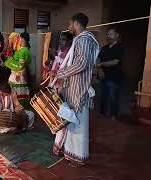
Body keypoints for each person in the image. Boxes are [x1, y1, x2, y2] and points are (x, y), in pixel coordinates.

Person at [53, 13, 99, 166]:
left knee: (78, 124)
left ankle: (78, 156)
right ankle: (69, 152)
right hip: (73, 87)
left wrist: (60, 72)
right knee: (72, 121)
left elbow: (81, 64)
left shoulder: (85, 39)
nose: (68, 27)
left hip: (78, 89)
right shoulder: (80, 39)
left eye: (70, 24)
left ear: (77, 24)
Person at [96, 28, 124, 120]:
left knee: (113, 97)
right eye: (108, 34)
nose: (109, 36)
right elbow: (98, 58)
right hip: (103, 76)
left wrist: (102, 64)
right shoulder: (104, 48)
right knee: (103, 96)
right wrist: (100, 68)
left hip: (114, 77)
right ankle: (102, 113)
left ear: (117, 35)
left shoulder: (120, 48)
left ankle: (113, 115)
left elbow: (115, 61)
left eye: (111, 34)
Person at [4, 32, 32, 107]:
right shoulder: (23, 50)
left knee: (17, 95)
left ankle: (19, 110)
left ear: (22, 39)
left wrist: (9, 62)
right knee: (15, 94)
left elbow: (20, 66)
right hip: (16, 76)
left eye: (19, 38)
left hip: (18, 77)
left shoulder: (24, 51)